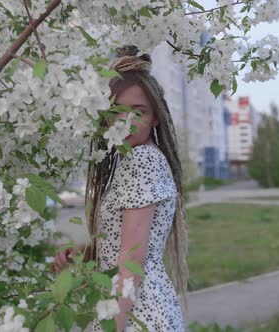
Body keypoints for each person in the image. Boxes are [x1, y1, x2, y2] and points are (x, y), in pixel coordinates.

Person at [52, 45, 188, 332]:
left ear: (155, 117)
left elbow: (131, 261)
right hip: (140, 307)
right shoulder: (130, 160)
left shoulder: (142, 159)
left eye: (137, 111)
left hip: (136, 313)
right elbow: (128, 246)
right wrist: (88, 251)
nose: (126, 121)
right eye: (117, 111)